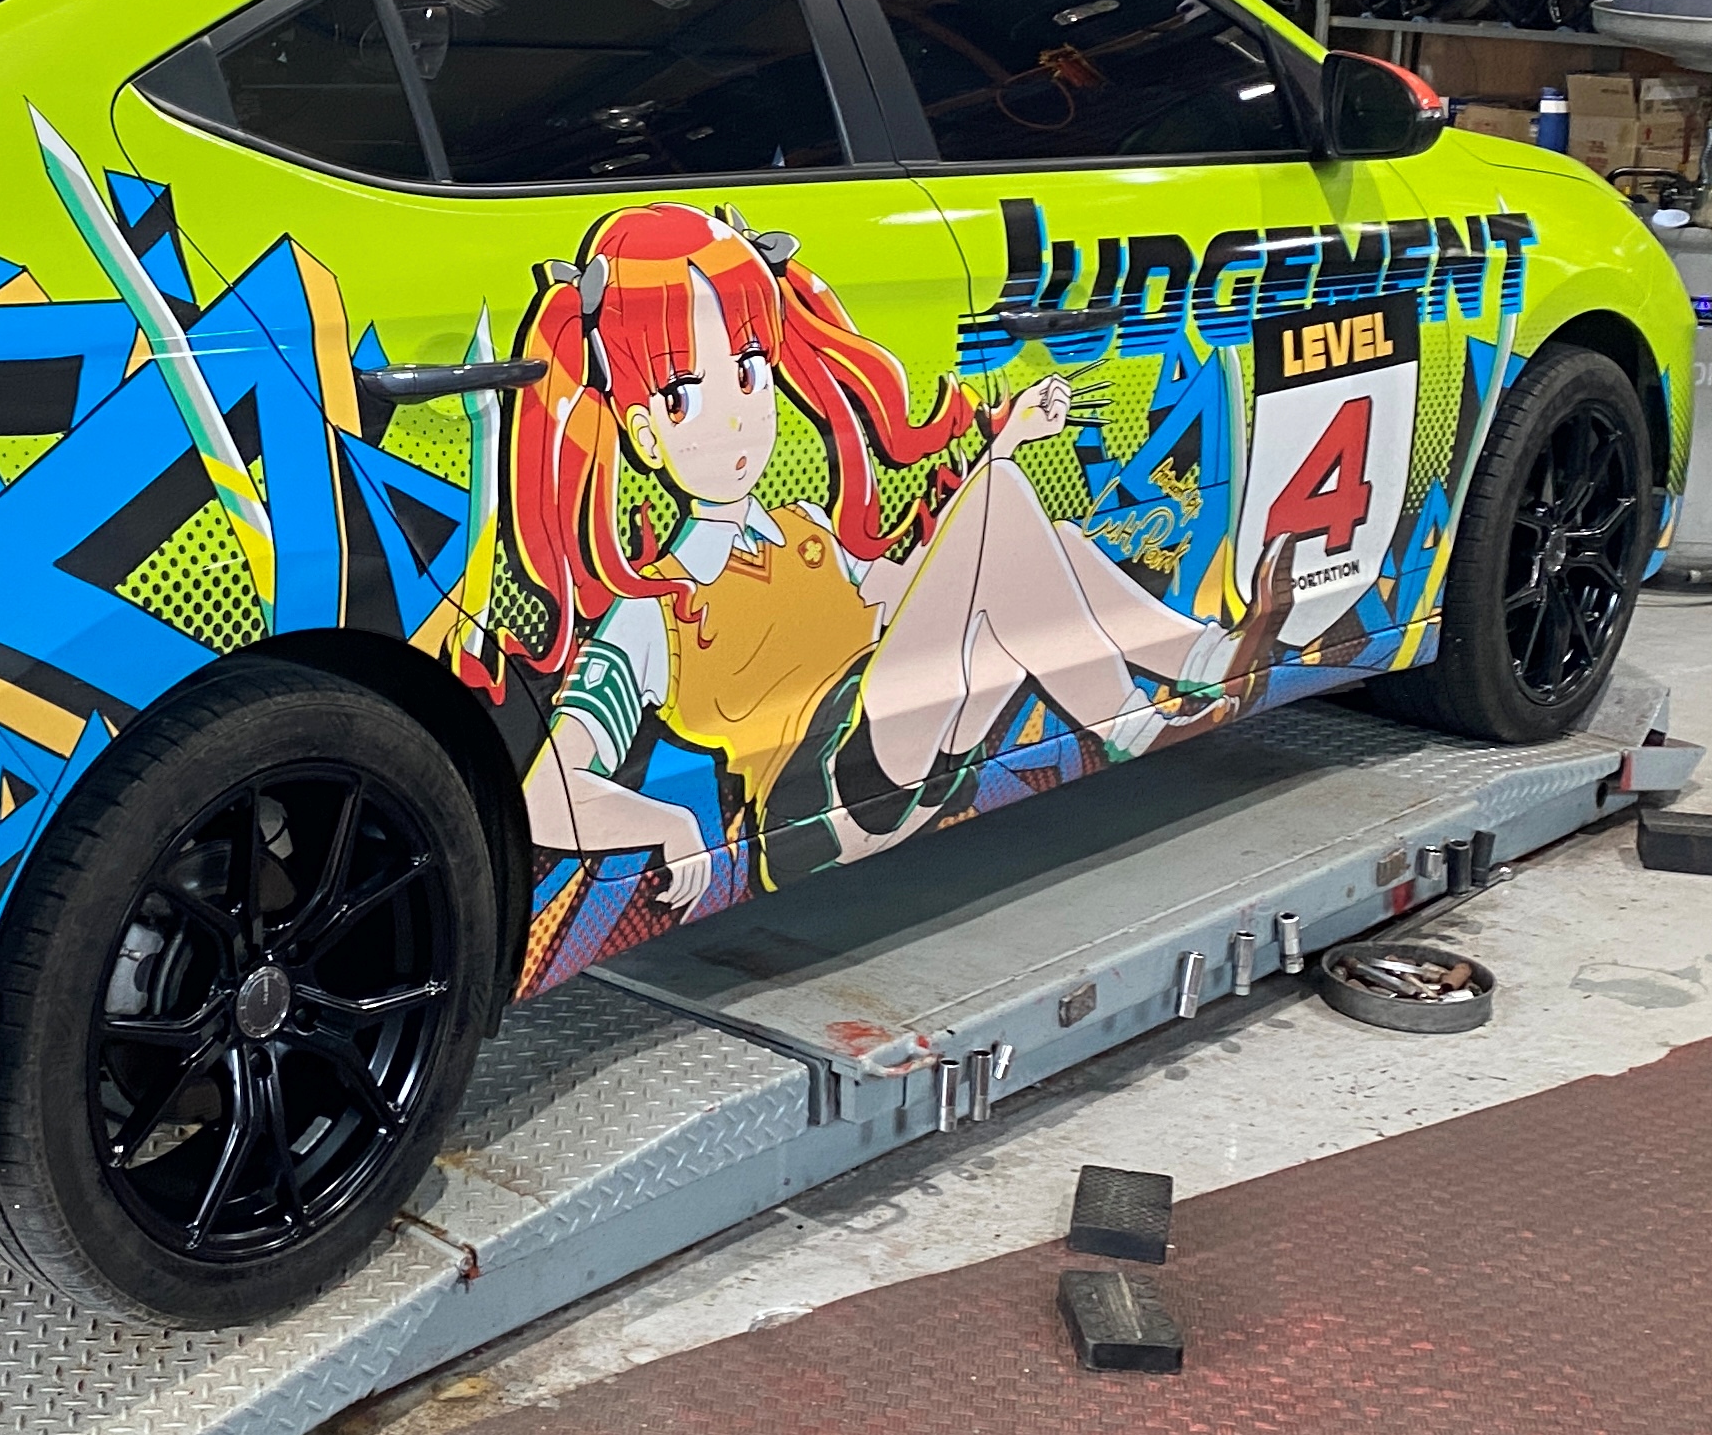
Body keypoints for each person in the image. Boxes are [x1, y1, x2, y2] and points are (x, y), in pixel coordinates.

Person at [505, 202, 1244, 910]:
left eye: (750, 371)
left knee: (1054, 540)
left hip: (908, 738)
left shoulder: (803, 528)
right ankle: (1134, 709)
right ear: (643, 432)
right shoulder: (653, 606)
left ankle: (1203, 658)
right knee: (1001, 508)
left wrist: (1006, 439)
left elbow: (919, 588)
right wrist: (670, 827)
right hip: (828, 792)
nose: (735, 415)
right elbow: (546, 790)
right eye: (684, 395)